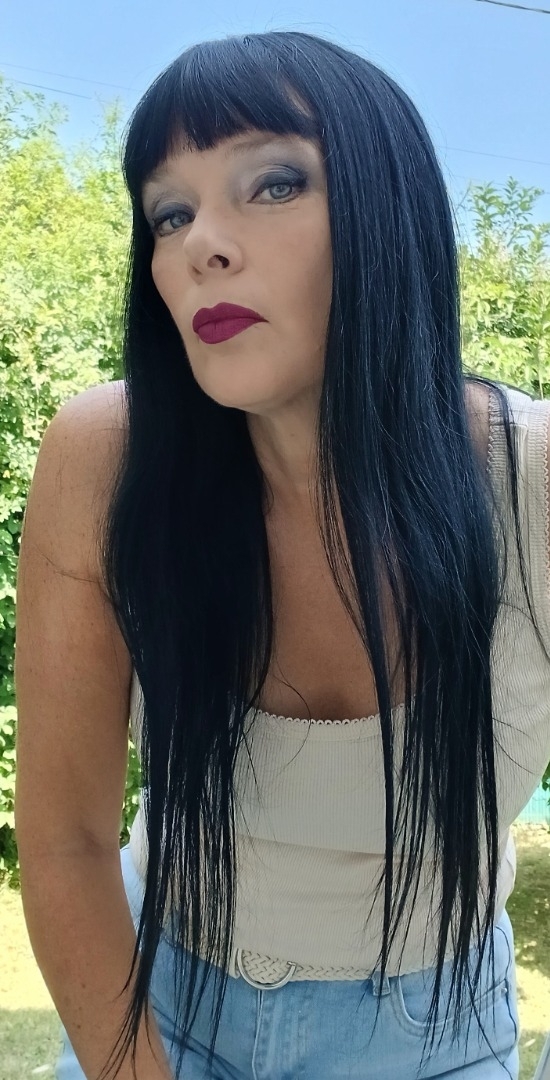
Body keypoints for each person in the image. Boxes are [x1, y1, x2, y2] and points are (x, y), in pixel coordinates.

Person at [14, 29, 550, 1080]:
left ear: (389, 208)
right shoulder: (105, 458)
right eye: (170, 213)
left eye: (272, 182)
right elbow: (66, 839)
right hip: (151, 1001)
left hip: (434, 1033)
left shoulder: (529, 480)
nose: (201, 246)